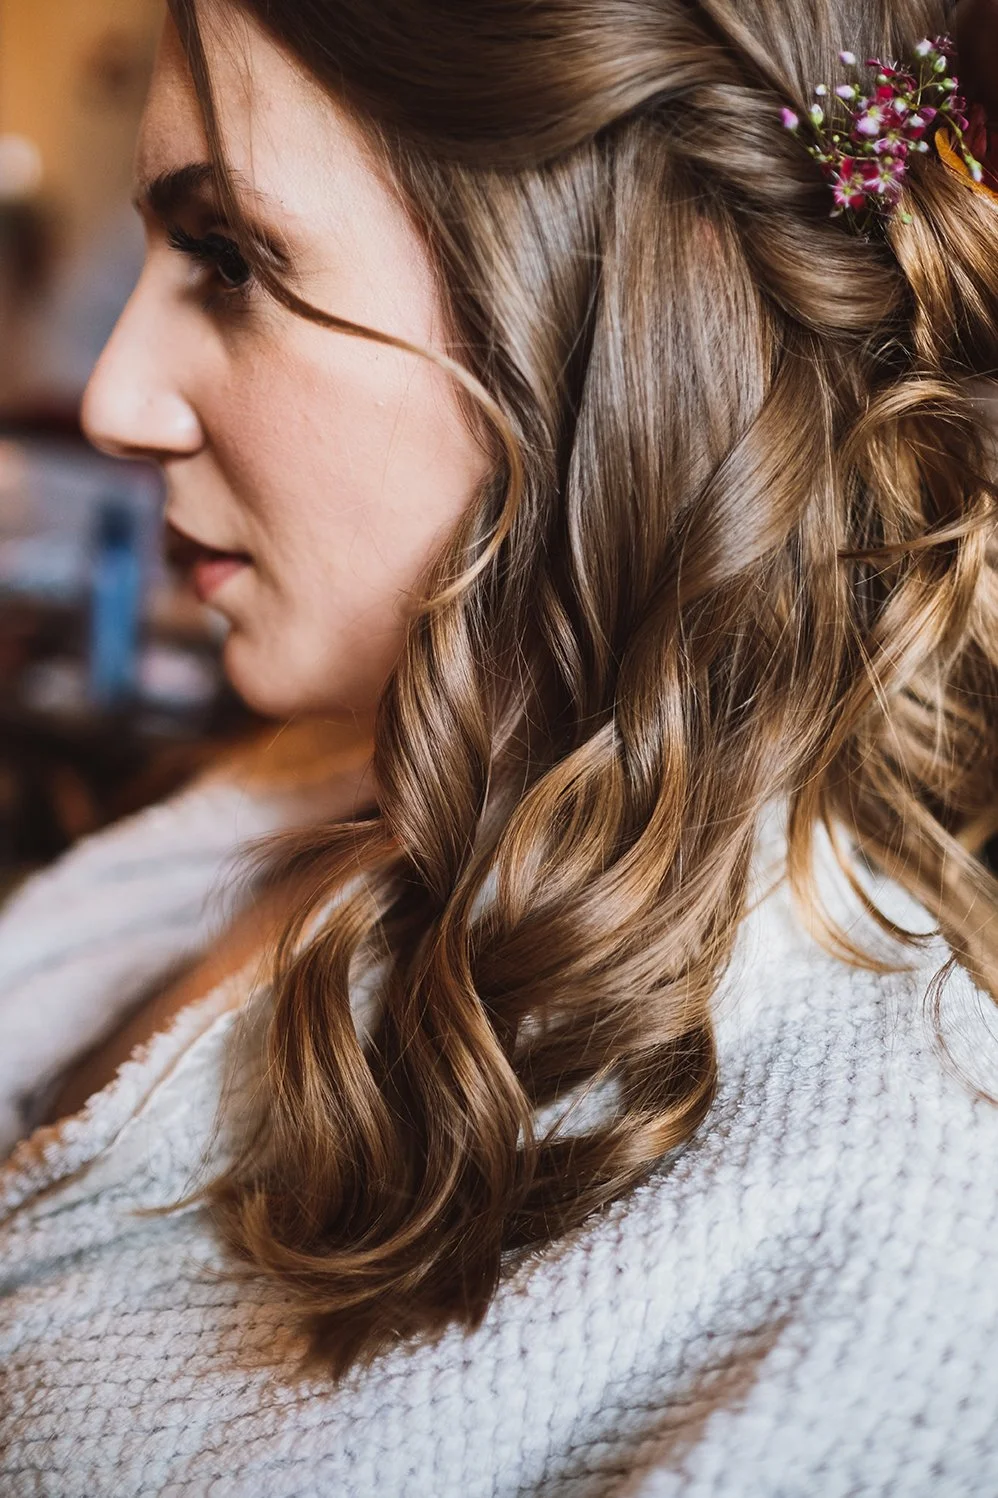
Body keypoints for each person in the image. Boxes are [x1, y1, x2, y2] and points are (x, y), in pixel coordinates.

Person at [3, 0, 998, 1492]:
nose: (115, 398)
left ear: (637, 301)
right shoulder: (323, 774)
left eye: (231, 258)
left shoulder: (895, 1244)